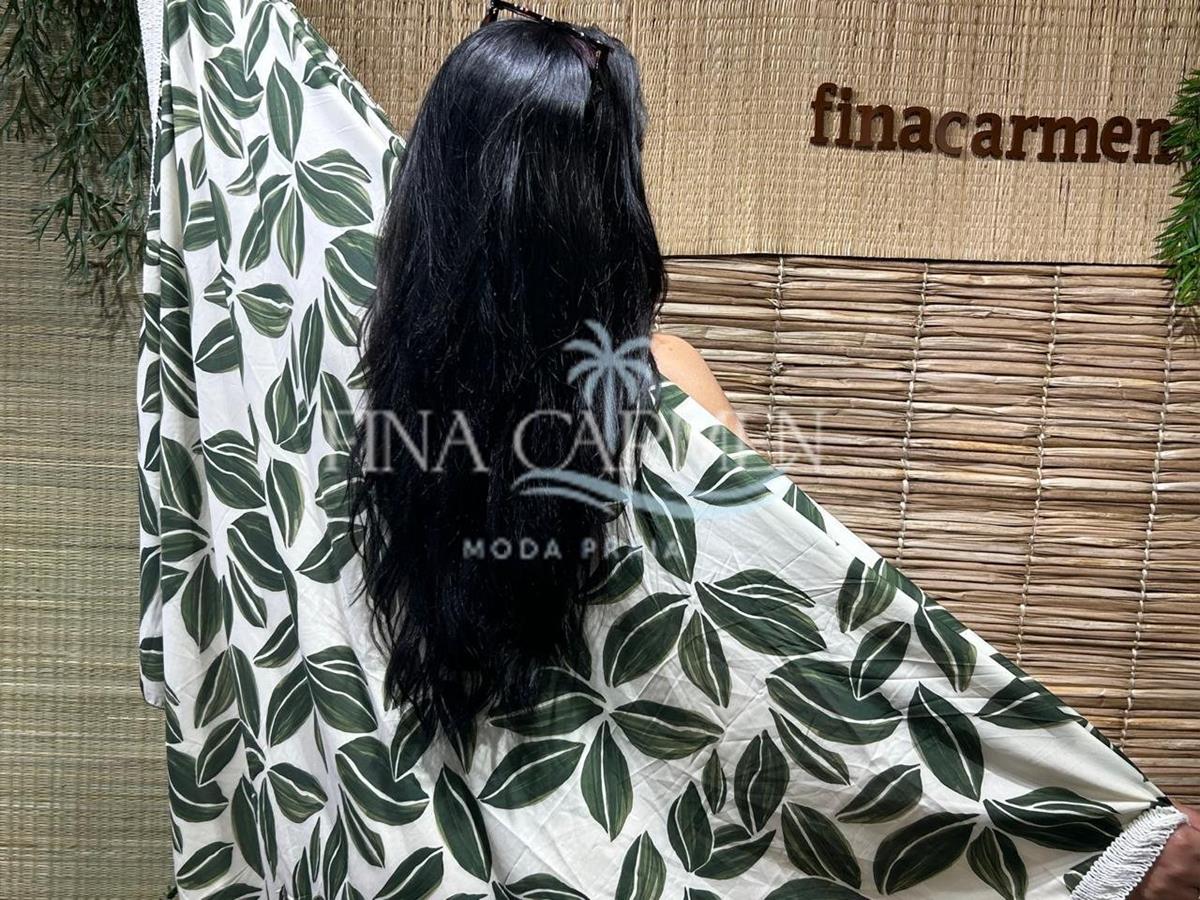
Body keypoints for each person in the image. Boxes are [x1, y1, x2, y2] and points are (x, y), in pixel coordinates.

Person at [135, 0, 1200, 896]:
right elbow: (790, 661)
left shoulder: (341, 389)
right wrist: (1097, 830)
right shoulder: (658, 393)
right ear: (603, 203)